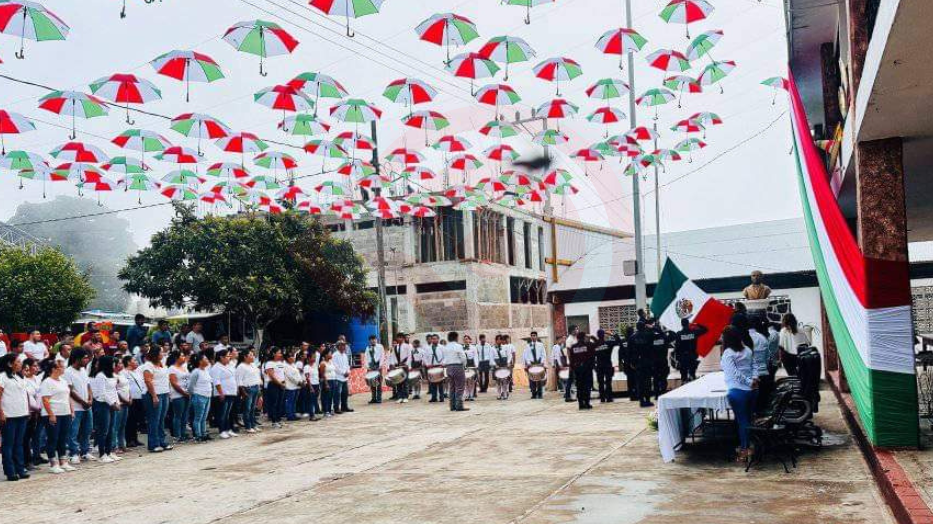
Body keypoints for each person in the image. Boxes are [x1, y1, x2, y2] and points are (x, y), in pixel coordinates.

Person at [721, 325, 758, 461]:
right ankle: (749, 446)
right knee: (748, 419)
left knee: (742, 421)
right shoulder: (747, 349)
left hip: (737, 390)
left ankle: (744, 450)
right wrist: (754, 379)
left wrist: (748, 382)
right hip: (752, 390)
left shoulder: (728, 353)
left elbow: (734, 373)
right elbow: (755, 365)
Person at [38, 358, 75, 474]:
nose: (64, 369)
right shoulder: (47, 382)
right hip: (54, 413)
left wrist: (71, 410)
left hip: (65, 412)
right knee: (53, 438)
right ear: (54, 369)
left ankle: (63, 461)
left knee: (63, 438)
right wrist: (51, 414)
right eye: (61, 367)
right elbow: (45, 400)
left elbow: (68, 396)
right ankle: (53, 463)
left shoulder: (63, 381)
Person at [0, 353, 30, 481]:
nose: (20, 364)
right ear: (9, 364)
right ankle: (10, 471)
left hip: (21, 414)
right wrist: (1, 413)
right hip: (9, 415)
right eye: (17, 362)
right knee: (8, 444)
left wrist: (27, 410)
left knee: (19, 443)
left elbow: (24, 395)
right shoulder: (2, 377)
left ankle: (20, 469)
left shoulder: (20, 376)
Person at [89, 355, 121, 463]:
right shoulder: (100, 376)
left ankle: (109, 451)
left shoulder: (112, 375)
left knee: (111, 429)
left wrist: (117, 402)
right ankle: (102, 454)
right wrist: (112, 404)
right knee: (104, 430)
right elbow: (102, 393)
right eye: (112, 363)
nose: (114, 364)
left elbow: (114, 390)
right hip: (103, 404)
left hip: (112, 404)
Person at [140, 346, 172, 452]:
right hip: (153, 395)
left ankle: (161, 441)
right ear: (155, 354)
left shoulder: (162, 364)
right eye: (161, 352)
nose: (163, 354)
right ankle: (153, 444)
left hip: (164, 393)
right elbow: (148, 381)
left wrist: (168, 392)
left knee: (161, 419)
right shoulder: (148, 366)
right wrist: (154, 396)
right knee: (154, 420)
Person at [64, 348, 93, 463]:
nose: (87, 360)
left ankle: (85, 452)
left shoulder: (83, 370)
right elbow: (70, 390)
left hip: (87, 406)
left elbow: (88, 386)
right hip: (76, 407)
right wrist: (82, 402)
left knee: (87, 430)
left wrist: (90, 399)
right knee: (73, 432)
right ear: (77, 359)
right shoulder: (68, 372)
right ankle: (73, 453)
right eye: (85, 358)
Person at [188, 353, 214, 442]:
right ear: (200, 361)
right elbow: (190, 386)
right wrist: (194, 395)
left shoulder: (206, 370)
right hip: (199, 396)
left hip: (207, 396)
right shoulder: (196, 372)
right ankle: (198, 435)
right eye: (205, 359)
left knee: (204, 417)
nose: (207, 360)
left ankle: (203, 433)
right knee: (198, 417)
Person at [628, 322, 655, 407]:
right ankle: (648, 400)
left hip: (637, 362)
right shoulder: (649, 335)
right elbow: (652, 347)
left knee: (640, 382)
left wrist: (631, 362)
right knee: (647, 382)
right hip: (647, 361)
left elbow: (629, 351)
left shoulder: (632, 337)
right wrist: (651, 327)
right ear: (644, 327)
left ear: (637, 327)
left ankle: (641, 401)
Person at [674, 319, 709, 383]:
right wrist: (697, 324)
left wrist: (677, 358)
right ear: (688, 324)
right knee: (692, 374)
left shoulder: (679, 334)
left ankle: (684, 384)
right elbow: (705, 329)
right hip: (692, 355)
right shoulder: (693, 332)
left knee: (684, 376)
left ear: (681, 325)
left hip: (683, 357)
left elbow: (677, 347)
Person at [749, 318, 772, 413]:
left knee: (752, 406)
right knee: (762, 404)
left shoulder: (745, 338)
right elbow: (768, 357)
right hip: (764, 372)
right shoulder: (762, 338)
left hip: (752, 376)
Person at [167, 351, 191, 443]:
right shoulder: (172, 369)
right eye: (182, 356)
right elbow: (174, 383)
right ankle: (177, 436)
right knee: (178, 415)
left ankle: (183, 433)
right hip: (178, 395)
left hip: (187, 393)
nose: (184, 357)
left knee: (185, 416)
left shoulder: (184, 367)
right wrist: (184, 393)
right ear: (176, 358)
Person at [236, 349, 262, 432]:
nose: (253, 356)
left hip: (255, 387)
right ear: (245, 357)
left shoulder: (253, 365)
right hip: (248, 389)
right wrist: (243, 392)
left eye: (253, 355)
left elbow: (257, 376)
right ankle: (248, 426)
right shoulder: (241, 366)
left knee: (253, 408)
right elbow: (239, 380)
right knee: (247, 408)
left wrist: (259, 387)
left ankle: (253, 424)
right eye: (251, 355)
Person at [568, 332, 595, 410]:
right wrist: (592, 337)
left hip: (578, 370)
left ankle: (580, 404)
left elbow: (571, 359)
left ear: (577, 338)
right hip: (587, 369)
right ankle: (587, 403)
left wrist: (572, 368)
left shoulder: (573, 347)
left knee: (579, 387)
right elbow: (593, 354)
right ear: (584, 337)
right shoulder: (588, 345)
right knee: (587, 386)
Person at [122, 355, 145, 448]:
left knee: (136, 420)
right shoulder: (124, 372)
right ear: (128, 362)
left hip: (139, 397)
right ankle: (129, 440)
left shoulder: (137, 372)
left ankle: (135, 439)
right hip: (131, 399)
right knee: (130, 420)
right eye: (134, 360)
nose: (136, 362)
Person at [444, 332, 468, 412]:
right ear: (456, 338)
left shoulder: (446, 347)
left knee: (452, 387)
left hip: (449, 367)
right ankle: (459, 405)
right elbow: (463, 357)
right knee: (460, 387)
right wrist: (464, 365)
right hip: (457, 366)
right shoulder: (458, 346)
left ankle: (452, 405)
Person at [111, 357, 131, 454]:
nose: (121, 365)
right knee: (116, 426)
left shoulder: (122, 374)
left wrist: (130, 398)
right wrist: (124, 400)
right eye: (119, 363)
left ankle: (122, 444)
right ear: (114, 365)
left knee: (123, 425)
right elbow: (115, 391)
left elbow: (127, 387)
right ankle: (114, 445)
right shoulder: (113, 376)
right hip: (120, 403)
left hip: (126, 402)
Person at [263, 347, 287, 428]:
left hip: (281, 384)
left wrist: (283, 382)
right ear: (273, 354)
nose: (280, 354)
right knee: (274, 403)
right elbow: (272, 376)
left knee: (280, 403)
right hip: (274, 385)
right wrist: (280, 384)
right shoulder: (269, 363)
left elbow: (283, 373)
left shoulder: (280, 363)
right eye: (279, 353)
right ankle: (274, 422)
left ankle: (278, 419)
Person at [387, 335, 411, 404]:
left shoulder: (407, 346)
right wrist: (393, 364)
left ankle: (405, 397)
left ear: (403, 338)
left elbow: (409, 356)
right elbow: (393, 356)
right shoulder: (395, 347)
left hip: (404, 366)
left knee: (405, 382)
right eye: (398, 337)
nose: (399, 339)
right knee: (398, 382)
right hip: (397, 366)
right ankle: (399, 397)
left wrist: (407, 364)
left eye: (400, 337)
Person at [523, 331, 546, 400]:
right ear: (530, 337)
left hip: (539, 363)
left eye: (534, 335)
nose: (533, 337)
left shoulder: (541, 345)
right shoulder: (528, 346)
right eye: (532, 335)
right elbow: (526, 355)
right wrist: (528, 363)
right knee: (532, 379)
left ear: (536, 336)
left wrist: (542, 362)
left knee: (539, 379)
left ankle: (540, 394)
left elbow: (543, 354)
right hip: (531, 364)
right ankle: (533, 394)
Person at [593, 330, 615, 403]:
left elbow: (592, 355)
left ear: (597, 335)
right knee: (608, 382)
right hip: (607, 364)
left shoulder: (595, 344)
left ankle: (602, 398)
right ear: (604, 335)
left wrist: (594, 366)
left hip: (599, 365)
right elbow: (618, 341)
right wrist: (612, 334)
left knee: (601, 382)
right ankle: (609, 398)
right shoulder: (608, 343)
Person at [283, 350, 304, 421]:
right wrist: (298, 382)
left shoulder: (293, 365)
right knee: (290, 401)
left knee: (294, 401)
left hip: (296, 386)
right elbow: (291, 377)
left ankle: (293, 413)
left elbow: (298, 374)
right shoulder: (286, 366)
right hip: (290, 386)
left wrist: (301, 381)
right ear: (288, 358)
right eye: (291, 356)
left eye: (293, 356)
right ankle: (289, 415)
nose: (293, 358)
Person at [363, 335, 384, 404]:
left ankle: (379, 398)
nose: (373, 341)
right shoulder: (367, 348)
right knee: (372, 383)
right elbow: (366, 358)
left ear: (376, 339)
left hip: (378, 366)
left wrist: (380, 365)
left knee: (378, 383)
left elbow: (382, 356)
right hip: (371, 366)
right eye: (371, 340)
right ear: (369, 341)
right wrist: (367, 366)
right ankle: (373, 398)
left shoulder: (380, 346)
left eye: (374, 339)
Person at [424, 334, 444, 403]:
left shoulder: (442, 347)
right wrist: (427, 364)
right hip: (431, 367)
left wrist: (443, 363)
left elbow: (445, 356)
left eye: (435, 339)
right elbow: (425, 357)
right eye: (433, 339)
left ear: (438, 339)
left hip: (439, 366)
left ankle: (441, 397)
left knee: (440, 383)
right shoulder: (428, 348)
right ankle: (434, 397)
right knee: (432, 383)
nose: (434, 340)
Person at [334, 342, 353, 413]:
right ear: (338, 346)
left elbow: (347, 365)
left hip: (345, 377)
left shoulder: (345, 355)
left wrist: (348, 371)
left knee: (345, 393)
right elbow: (335, 367)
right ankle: (336, 408)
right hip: (338, 377)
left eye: (344, 345)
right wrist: (343, 373)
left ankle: (344, 406)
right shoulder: (335, 355)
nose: (344, 347)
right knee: (337, 394)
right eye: (342, 345)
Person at [492, 335, 512, 400]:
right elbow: (491, 357)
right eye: (498, 339)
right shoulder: (492, 348)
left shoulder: (505, 347)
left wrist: (508, 362)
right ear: (496, 340)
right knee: (498, 380)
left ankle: (505, 393)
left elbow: (509, 355)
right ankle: (499, 394)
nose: (499, 341)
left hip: (504, 364)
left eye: (500, 339)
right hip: (497, 364)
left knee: (504, 380)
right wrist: (495, 364)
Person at [319, 348, 337, 418]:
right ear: (326, 355)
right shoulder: (323, 363)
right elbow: (322, 374)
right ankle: (325, 411)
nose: (331, 354)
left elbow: (333, 371)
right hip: (327, 380)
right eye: (330, 353)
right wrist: (326, 383)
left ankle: (329, 410)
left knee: (331, 396)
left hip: (333, 380)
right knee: (326, 396)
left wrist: (335, 380)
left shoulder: (331, 362)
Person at [462, 335, 477, 401]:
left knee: (471, 381)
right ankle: (467, 395)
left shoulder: (473, 348)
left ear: (469, 340)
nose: (466, 340)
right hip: (464, 365)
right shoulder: (461, 348)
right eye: (465, 339)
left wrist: (476, 365)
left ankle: (471, 395)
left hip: (471, 364)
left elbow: (476, 356)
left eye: (467, 339)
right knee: (465, 381)